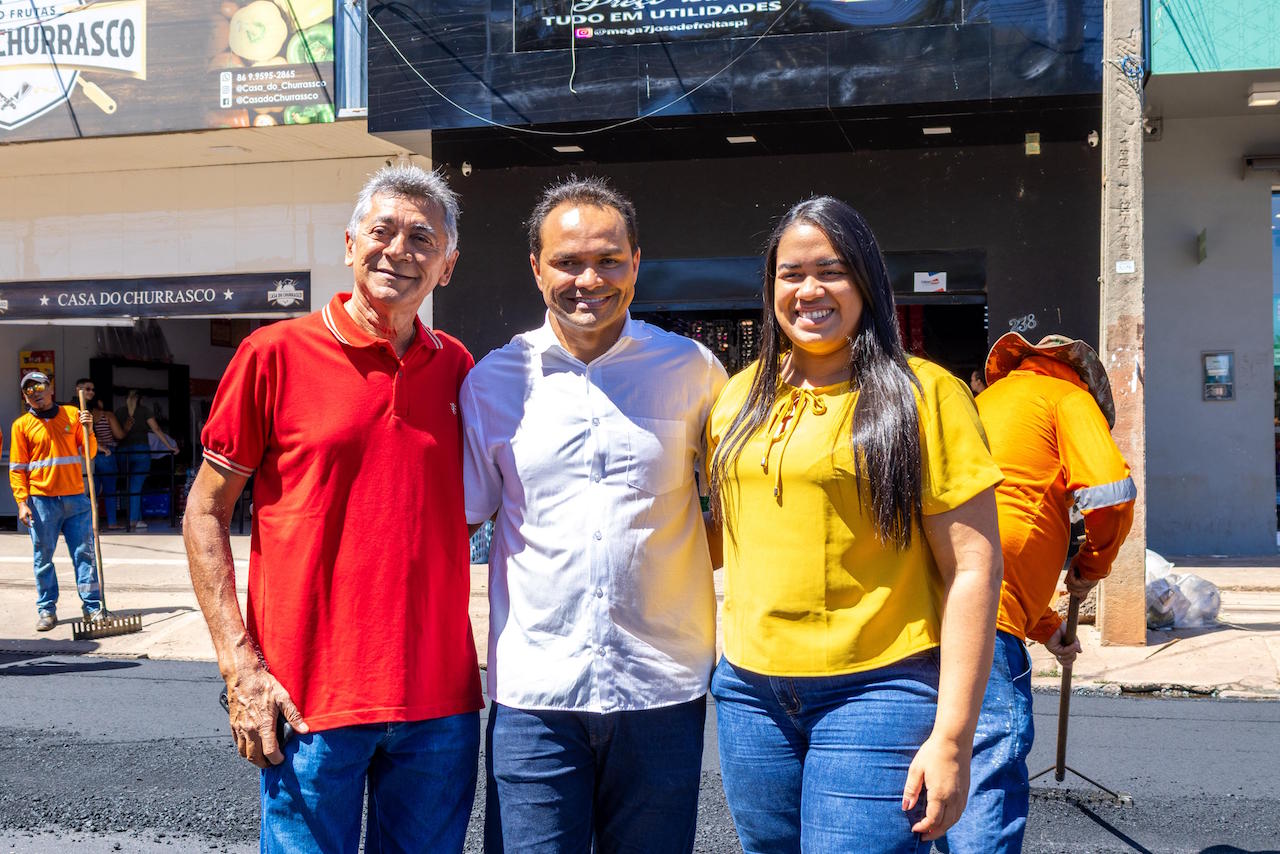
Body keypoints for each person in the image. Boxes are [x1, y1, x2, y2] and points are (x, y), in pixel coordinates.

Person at [183, 164, 482, 852]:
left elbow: (461, 509)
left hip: (439, 702)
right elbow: (205, 511)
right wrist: (238, 666)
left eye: (422, 238)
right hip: (308, 701)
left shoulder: (460, 368)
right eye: (382, 231)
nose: (399, 250)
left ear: (447, 265)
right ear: (350, 244)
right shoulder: (273, 355)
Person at [705, 196, 1004, 852]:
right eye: (791, 273)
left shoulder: (926, 394)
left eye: (832, 271)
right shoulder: (738, 397)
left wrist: (953, 738)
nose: (809, 290)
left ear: (867, 281)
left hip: (879, 689)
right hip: (749, 693)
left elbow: (974, 570)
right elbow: (723, 538)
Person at [461, 176, 727, 854]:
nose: (590, 279)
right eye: (568, 262)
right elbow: (461, 522)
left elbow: (731, 508)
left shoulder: (692, 371)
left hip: (661, 687)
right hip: (536, 695)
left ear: (636, 263)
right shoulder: (492, 382)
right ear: (536, 268)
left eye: (609, 259)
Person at [938, 332, 1136, 853]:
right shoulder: (1068, 397)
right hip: (985, 621)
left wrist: (1048, 627)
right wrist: (1091, 566)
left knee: (937, 769)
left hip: (933, 607)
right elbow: (1112, 496)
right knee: (985, 767)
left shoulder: (988, 402)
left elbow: (1004, 528)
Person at [10, 371, 102, 631]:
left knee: (85, 555)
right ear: (25, 397)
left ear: (51, 389)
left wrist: (89, 430)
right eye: (29, 390)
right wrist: (22, 502)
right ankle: (47, 610)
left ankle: (92, 607)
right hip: (41, 503)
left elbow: (89, 453)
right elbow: (17, 468)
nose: (35, 394)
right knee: (43, 559)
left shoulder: (73, 415)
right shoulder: (21, 426)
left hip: (76, 498)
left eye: (39, 387)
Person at [114, 389, 177, 530]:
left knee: (128, 486)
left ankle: (134, 518)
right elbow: (156, 429)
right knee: (136, 487)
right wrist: (170, 447)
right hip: (141, 451)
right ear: (141, 399)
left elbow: (116, 433)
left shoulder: (119, 412)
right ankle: (133, 520)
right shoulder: (145, 410)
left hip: (123, 452)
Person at [74, 378, 126, 529]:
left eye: (93, 390)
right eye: (87, 389)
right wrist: (100, 447)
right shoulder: (79, 409)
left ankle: (91, 523)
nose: (91, 392)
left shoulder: (87, 408)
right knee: (107, 489)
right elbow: (118, 434)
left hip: (90, 453)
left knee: (92, 491)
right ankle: (110, 522)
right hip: (98, 452)